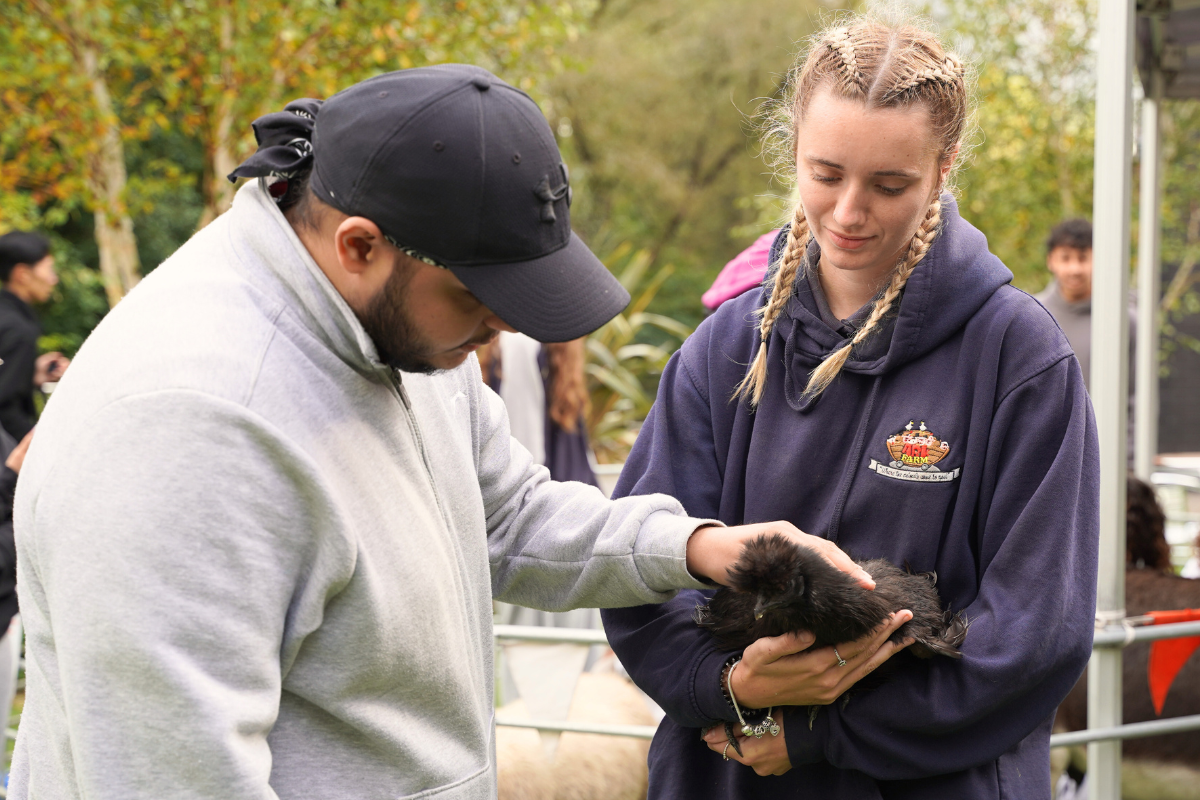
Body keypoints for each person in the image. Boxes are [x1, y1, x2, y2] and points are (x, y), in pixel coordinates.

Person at [9, 65, 872, 800]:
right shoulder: (192, 431)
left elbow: (504, 515)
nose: (501, 328)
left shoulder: (399, 334)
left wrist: (698, 548)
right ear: (360, 245)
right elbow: (169, 774)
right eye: (478, 297)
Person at [602, 17, 1099, 799]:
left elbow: (1036, 632)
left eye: (890, 184)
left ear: (943, 168)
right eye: (825, 173)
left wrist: (819, 731)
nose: (849, 212)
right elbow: (645, 567)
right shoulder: (725, 346)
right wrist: (731, 688)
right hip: (725, 774)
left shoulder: (1019, 359)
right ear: (793, 147)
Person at [0, 231, 69, 439]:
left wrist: (30, 374)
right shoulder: (18, 329)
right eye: (48, 269)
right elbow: (5, 407)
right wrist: (38, 450)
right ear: (23, 274)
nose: (53, 279)